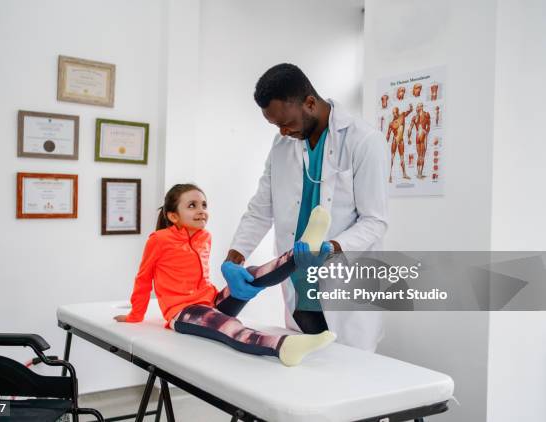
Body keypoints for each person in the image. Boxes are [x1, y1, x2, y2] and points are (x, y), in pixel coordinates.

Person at [223, 64, 388, 352]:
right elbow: (261, 208)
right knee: (305, 373)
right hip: (299, 288)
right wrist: (233, 260)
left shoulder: (364, 140)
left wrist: (330, 247)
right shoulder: (282, 144)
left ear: (310, 103)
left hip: (344, 287)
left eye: (286, 123)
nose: (283, 132)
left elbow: (374, 221)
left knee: (349, 374)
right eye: (276, 126)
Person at [115, 184, 336, 366]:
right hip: (182, 312)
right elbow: (143, 278)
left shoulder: (205, 237)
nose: (201, 210)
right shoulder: (159, 240)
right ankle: (283, 347)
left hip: (211, 301)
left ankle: (302, 251)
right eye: (192, 206)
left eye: (203, 205)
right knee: (229, 325)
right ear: (173, 216)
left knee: (250, 275)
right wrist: (136, 314)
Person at [386, 104, 414, 182]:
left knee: (402, 158)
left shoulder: (402, 116)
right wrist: (384, 144)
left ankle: (404, 174)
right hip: (395, 140)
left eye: (395, 112)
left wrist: (411, 109)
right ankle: (389, 175)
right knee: (392, 158)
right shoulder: (391, 123)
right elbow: (388, 135)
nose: (393, 114)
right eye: (393, 113)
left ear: (397, 112)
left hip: (401, 140)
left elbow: (408, 112)